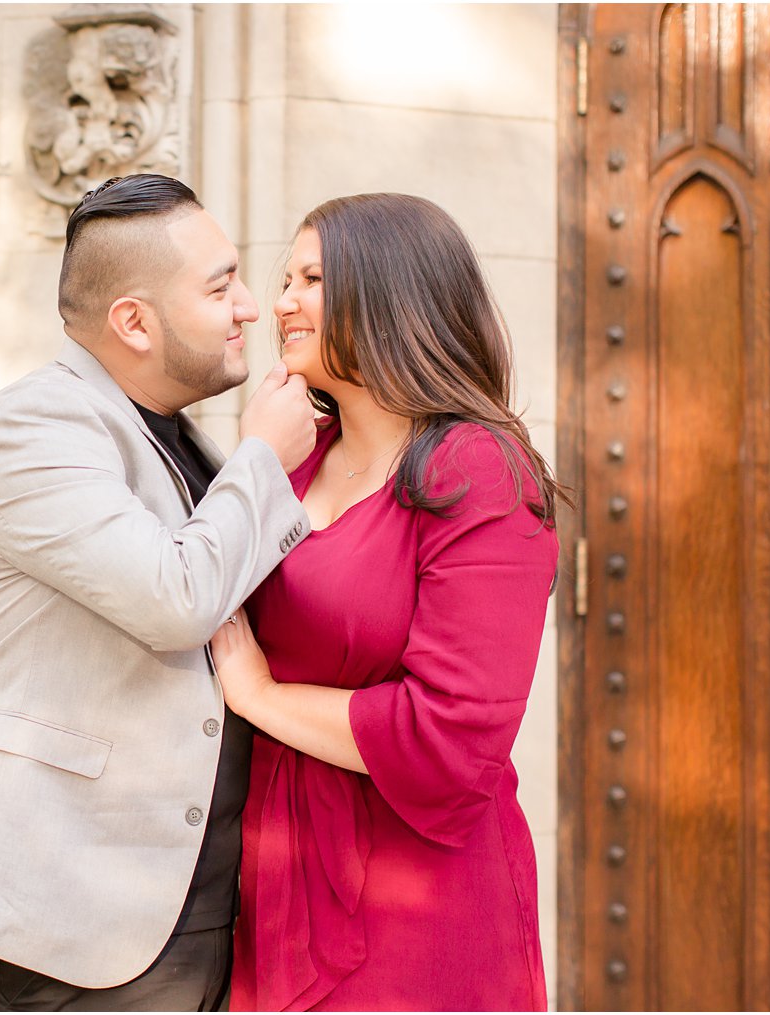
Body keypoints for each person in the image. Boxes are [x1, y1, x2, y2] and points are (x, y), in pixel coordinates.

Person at [0, 174, 318, 1011]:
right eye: (220, 284)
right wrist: (263, 460)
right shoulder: (36, 427)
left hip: (191, 906)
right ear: (133, 321)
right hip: (58, 913)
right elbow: (175, 598)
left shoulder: (181, 434)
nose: (249, 307)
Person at [209, 193, 560, 1012]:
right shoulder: (292, 467)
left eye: (311, 278)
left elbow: (453, 737)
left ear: (390, 291)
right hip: (276, 875)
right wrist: (255, 459)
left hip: (418, 894)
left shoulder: (477, 470)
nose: (279, 302)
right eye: (284, 278)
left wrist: (259, 693)